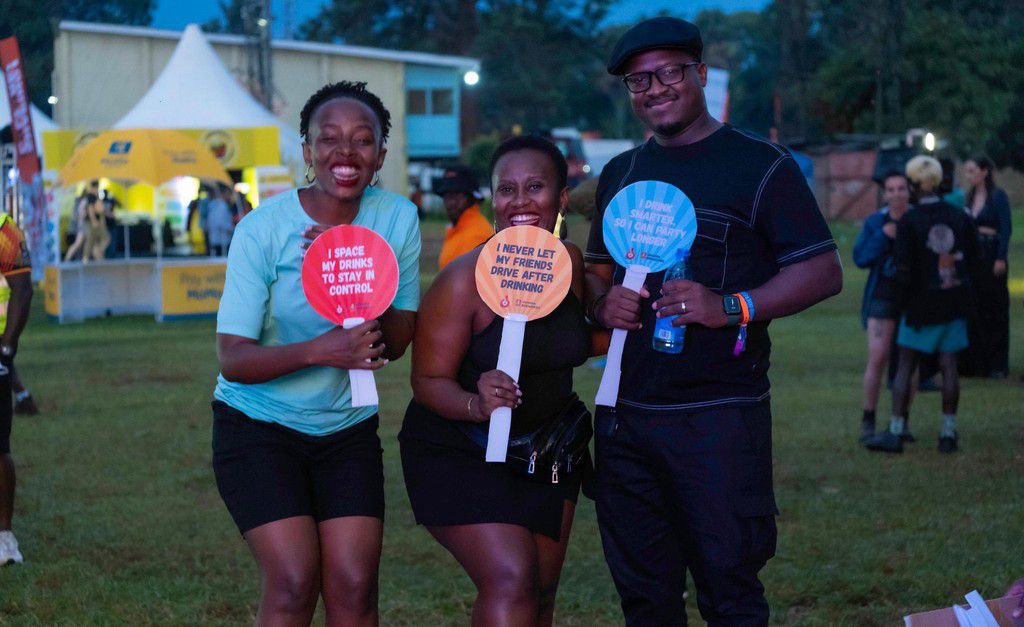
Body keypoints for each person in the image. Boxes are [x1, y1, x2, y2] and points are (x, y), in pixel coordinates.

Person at [584, 17, 842, 625]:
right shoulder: (620, 173)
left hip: (719, 419)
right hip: (626, 418)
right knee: (645, 599)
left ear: (701, 74)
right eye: (638, 81)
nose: (655, 89)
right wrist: (601, 304)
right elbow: (598, 270)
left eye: (669, 72)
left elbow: (822, 271)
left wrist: (730, 307)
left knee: (730, 596)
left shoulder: (761, 166)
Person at [212, 81, 420, 625]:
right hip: (257, 427)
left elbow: (394, 345)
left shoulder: (397, 218)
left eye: (362, 140)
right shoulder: (262, 229)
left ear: (380, 153)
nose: (344, 153)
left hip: (346, 432)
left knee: (354, 587)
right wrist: (320, 350)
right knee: (294, 580)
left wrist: (356, 288)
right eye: (328, 139)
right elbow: (233, 358)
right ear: (307, 151)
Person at [399, 136, 591, 626]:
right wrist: (476, 404)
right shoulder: (463, 279)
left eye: (535, 187)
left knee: (540, 594)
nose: (520, 201)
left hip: (549, 450)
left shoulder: (569, 264)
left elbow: (575, 340)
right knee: (512, 578)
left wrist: (621, 314)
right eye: (507, 189)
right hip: (459, 446)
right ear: (492, 198)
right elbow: (427, 381)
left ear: (562, 199)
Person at [864, 156, 979, 454]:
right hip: (953, 300)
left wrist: (903, 302)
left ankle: (896, 432)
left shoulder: (909, 222)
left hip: (919, 306)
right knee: (949, 366)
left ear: (914, 184)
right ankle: (948, 434)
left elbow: (902, 269)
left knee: (905, 365)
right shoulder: (960, 215)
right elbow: (975, 257)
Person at [853, 171, 913, 443]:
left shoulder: (917, 219)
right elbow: (860, 258)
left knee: (909, 363)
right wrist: (883, 236)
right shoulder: (876, 222)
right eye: (891, 189)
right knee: (877, 357)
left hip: (913, 299)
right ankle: (869, 419)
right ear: (885, 194)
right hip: (882, 297)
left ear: (909, 191)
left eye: (902, 188)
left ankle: (901, 422)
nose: (897, 194)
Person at [0, 213, 34, 564]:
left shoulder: (4, 230)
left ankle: (4, 537)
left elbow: (23, 290)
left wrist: (7, 349)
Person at [960, 155, 1011, 378]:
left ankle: (998, 364)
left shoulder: (997, 197)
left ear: (984, 172)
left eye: (972, 170)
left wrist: (1001, 257)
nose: (968, 175)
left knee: (996, 308)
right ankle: (976, 364)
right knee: (975, 306)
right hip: (974, 257)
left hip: (992, 254)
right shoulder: (969, 198)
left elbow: (1006, 228)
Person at [434, 164, 493, 270]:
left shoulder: (477, 234)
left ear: (472, 198)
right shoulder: (459, 229)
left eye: (458, 195)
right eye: (447, 195)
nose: (451, 202)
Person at [64, 182, 97, 262]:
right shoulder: (86, 201)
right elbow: (82, 214)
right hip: (83, 224)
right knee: (81, 243)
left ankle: (71, 260)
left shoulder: (80, 200)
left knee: (82, 243)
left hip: (81, 224)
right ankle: (68, 260)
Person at [206, 184, 236, 257]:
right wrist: (232, 229)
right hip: (223, 239)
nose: (230, 196)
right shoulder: (222, 206)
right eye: (229, 194)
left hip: (215, 238)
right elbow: (221, 223)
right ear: (224, 193)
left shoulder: (213, 205)